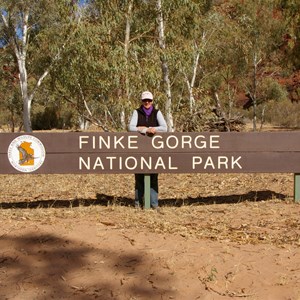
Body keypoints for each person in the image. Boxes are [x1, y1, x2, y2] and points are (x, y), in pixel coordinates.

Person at [128, 91, 168, 209]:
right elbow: (130, 127)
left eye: (149, 100)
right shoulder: (136, 112)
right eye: (145, 100)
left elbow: (164, 128)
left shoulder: (157, 112)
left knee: (154, 177)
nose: (147, 102)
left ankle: (154, 204)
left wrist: (150, 129)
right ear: (142, 101)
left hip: (154, 150)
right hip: (138, 149)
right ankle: (138, 203)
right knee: (139, 176)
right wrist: (145, 130)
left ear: (152, 101)